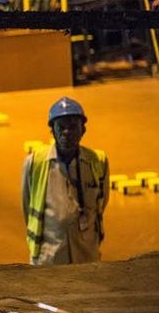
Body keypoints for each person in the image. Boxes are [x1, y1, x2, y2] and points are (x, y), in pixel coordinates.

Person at [22, 97, 110, 265]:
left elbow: (102, 202)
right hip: (49, 257)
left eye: (73, 127)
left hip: (86, 254)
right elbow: (27, 206)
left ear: (83, 130)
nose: (67, 133)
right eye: (61, 127)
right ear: (52, 131)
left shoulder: (98, 161)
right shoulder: (35, 163)